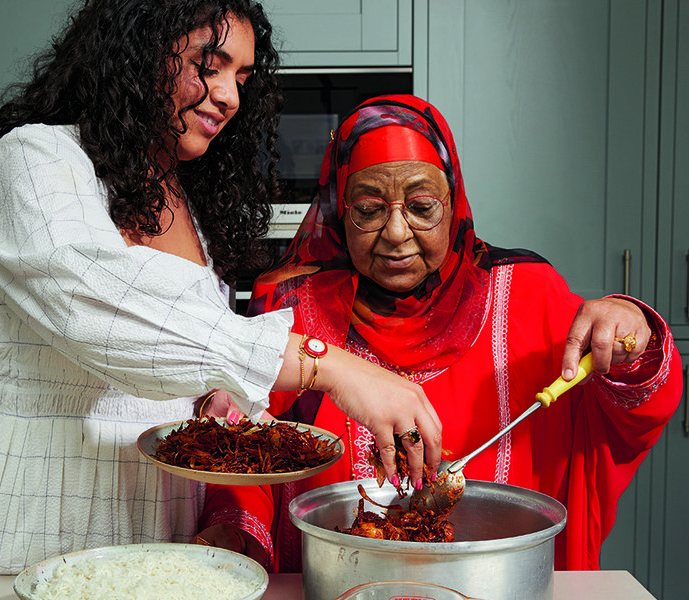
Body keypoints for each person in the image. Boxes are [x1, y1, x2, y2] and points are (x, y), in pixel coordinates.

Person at [0, 3, 437, 576]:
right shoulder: (36, 158)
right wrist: (328, 366)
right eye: (210, 65)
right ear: (138, 54)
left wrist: (213, 398)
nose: (229, 97)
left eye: (242, 78)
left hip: (161, 515)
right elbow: (101, 315)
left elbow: (176, 352)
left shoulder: (184, 201)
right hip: (33, 503)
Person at [197, 94, 683, 572]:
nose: (396, 232)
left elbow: (634, 409)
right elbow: (245, 455)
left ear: (453, 202)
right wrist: (238, 531)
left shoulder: (526, 294)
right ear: (339, 209)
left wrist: (629, 330)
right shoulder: (292, 306)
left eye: (422, 206)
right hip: (336, 580)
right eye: (368, 209)